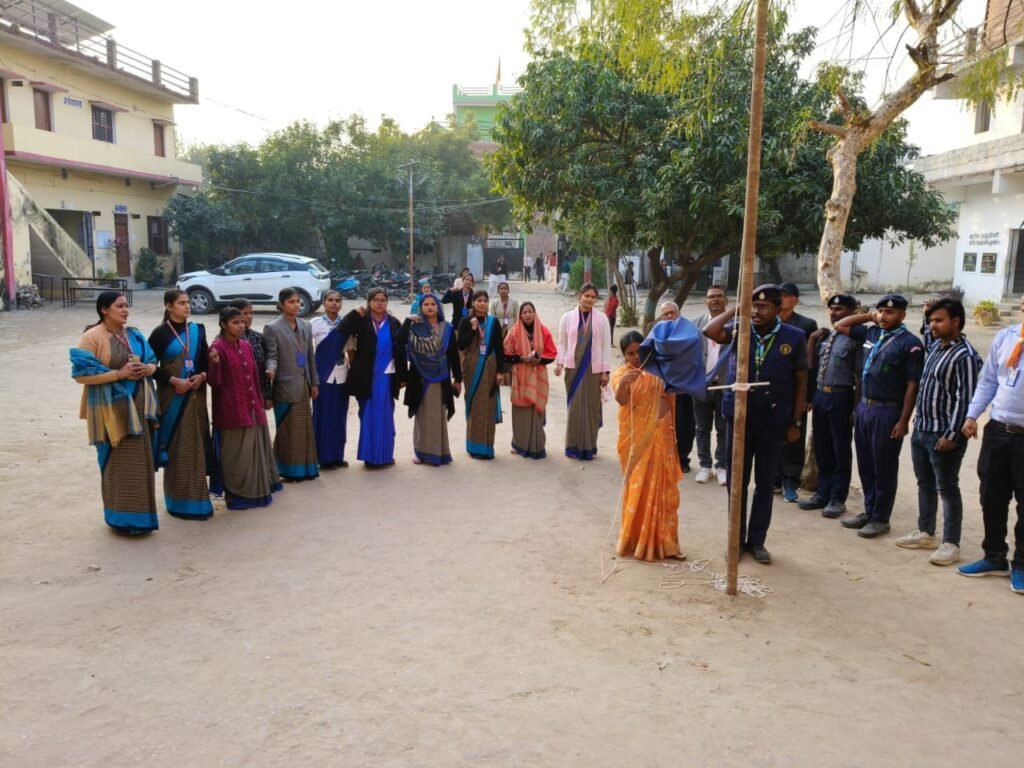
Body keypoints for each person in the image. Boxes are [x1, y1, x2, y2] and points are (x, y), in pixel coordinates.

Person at [704, 284, 809, 564]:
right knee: (736, 481)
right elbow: (710, 331)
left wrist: (795, 421)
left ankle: (757, 541)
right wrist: (737, 309)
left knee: (764, 483)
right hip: (738, 417)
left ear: (778, 308)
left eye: (764, 306)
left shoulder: (794, 336)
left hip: (773, 420)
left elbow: (801, 382)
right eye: (754, 305)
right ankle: (736, 540)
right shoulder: (740, 330)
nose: (758, 311)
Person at [891, 298, 981, 566]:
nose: (933, 325)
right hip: (923, 428)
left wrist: (952, 436)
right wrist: (926, 315)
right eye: (931, 321)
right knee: (925, 483)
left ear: (956, 321)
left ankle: (951, 543)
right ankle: (926, 531)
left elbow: (965, 399)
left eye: (939, 320)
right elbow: (928, 333)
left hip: (943, 433)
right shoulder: (936, 347)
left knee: (947, 487)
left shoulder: (965, 356)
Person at [70, 291, 160, 535]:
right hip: (109, 413)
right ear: (104, 309)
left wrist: (147, 369)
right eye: (119, 306)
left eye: (126, 306)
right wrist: (119, 374)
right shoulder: (91, 337)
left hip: (139, 411)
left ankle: (142, 520)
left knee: (139, 465)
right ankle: (120, 519)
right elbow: (81, 375)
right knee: (116, 466)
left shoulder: (134, 335)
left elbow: (154, 361)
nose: (125, 310)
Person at [835, 294, 924, 538]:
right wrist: (869, 316)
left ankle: (881, 518)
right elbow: (840, 325)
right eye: (881, 311)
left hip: (888, 410)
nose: (884, 316)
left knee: (883, 465)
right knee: (865, 463)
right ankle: (869, 510)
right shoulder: (871, 333)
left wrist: (903, 420)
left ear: (903, 315)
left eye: (890, 312)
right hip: (865, 406)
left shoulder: (910, 344)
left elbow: (912, 385)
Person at [958, 293, 1024, 593]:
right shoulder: (1006, 337)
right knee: (991, 496)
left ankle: (1021, 564)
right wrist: (973, 415)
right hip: (998, 430)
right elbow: (988, 381)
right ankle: (994, 556)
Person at [613, 331, 686, 561]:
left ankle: (667, 543)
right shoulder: (622, 374)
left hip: (662, 434)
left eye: (639, 351)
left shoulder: (659, 370)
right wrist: (624, 385)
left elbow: (676, 388)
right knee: (639, 488)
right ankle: (637, 541)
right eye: (630, 353)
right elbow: (621, 400)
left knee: (664, 489)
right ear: (624, 356)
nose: (636, 357)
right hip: (637, 441)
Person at [207, 307, 282, 509]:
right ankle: (238, 496)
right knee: (236, 456)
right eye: (235, 322)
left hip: (253, 408)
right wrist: (214, 365)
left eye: (242, 322)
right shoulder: (217, 348)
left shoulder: (246, 345)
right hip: (231, 412)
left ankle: (257, 493)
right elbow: (214, 383)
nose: (241, 326)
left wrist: (260, 402)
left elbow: (255, 378)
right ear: (223, 325)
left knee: (254, 453)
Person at [149, 289, 214, 520]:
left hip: (196, 398)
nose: (187, 306)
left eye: (188, 302)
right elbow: (151, 367)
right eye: (182, 303)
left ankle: (199, 500)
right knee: (178, 447)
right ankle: (178, 502)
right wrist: (174, 380)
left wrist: (202, 376)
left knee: (196, 445)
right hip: (172, 398)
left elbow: (205, 361)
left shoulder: (197, 330)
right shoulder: (159, 334)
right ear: (169, 306)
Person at [799, 294, 860, 518]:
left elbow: (859, 376)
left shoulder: (855, 338)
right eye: (832, 309)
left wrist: (855, 407)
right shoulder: (827, 335)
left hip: (841, 395)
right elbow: (811, 365)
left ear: (853, 311)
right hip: (821, 395)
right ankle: (822, 493)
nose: (834, 313)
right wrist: (812, 340)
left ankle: (837, 497)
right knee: (822, 447)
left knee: (840, 448)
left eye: (840, 309)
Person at [339, 288, 406, 467]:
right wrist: (354, 313)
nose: (379, 303)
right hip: (366, 377)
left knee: (385, 416)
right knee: (368, 416)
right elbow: (343, 331)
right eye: (375, 299)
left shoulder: (394, 323)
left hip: (386, 377)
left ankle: (385, 456)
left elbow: (400, 350)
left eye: (383, 300)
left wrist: (402, 377)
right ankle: (370, 457)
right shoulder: (361, 321)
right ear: (369, 302)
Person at [397, 293, 462, 465]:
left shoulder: (447, 329)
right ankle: (420, 452)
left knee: (438, 414)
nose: (430, 307)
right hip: (420, 379)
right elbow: (399, 340)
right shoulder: (415, 327)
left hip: (441, 379)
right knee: (422, 414)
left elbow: (454, 356)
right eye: (426, 304)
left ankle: (439, 452)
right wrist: (407, 321)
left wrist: (458, 379)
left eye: (433, 304)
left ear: (438, 307)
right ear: (421, 308)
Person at [264, 288, 320, 481]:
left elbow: (310, 356)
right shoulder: (272, 328)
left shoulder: (306, 325)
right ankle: (288, 471)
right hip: (285, 387)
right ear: (281, 305)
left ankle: (307, 469)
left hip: (304, 385)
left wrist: (314, 382)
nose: (296, 305)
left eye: (298, 301)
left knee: (304, 430)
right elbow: (272, 356)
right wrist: (271, 369)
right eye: (291, 302)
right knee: (288, 431)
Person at [555, 283, 612, 460]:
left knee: (592, 408)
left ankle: (589, 447)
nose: (589, 299)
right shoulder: (567, 317)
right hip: (573, 369)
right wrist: (559, 363)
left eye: (593, 297)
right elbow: (562, 342)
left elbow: (606, 346)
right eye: (586, 296)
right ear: (579, 296)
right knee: (575, 408)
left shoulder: (602, 319)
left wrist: (606, 372)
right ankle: (573, 446)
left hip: (594, 370)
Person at [776, 282, 819, 502]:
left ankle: (790, 481)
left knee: (794, 434)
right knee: (770, 435)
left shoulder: (806, 324)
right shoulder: (767, 320)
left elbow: (811, 364)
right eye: (779, 295)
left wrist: (809, 396)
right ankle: (773, 479)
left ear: (796, 300)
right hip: (771, 389)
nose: (781, 299)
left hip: (796, 390)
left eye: (785, 295)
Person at [504, 302, 557, 458]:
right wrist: (521, 358)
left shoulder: (544, 331)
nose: (527, 315)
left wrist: (539, 360)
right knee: (521, 412)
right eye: (524, 312)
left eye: (530, 311)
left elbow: (552, 354)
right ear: (520, 315)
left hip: (538, 377)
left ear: (535, 313)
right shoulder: (513, 332)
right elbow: (506, 354)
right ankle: (519, 444)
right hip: (520, 377)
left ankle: (537, 445)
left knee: (536, 410)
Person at [458, 289, 506, 459]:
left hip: (490, 368)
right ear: (473, 303)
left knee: (488, 406)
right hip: (472, 368)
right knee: (475, 405)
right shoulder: (465, 321)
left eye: (485, 301)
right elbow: (461, 345)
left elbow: (499, 348)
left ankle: (487, 448)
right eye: (479, 300)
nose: (482, 304)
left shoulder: (493, 322)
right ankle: (474, 447)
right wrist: (472, 330)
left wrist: (501, 371)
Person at [691, 286, 729, 485]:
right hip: (701, 385)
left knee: (723, 427)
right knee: (702, 427)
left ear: (726, 300)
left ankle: (721, 466)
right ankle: (705, 466)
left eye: (719, 296)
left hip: (725, 385)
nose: (715, 300)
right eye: (711, 297)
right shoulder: (695, 324)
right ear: (705, 301)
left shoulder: (736, 324)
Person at [310, 290, 351, 469]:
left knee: (339, 416)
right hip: (322, 374)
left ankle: (337, 456)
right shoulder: (315, 324)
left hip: (342, 375)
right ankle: (322, 457)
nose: (334, 303)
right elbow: (306, 350)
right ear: (324, 303)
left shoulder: (347, 323)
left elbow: (352, 349)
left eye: (337, 300)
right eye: (330, 300)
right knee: (322, 416)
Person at [658, 301, 696, 473]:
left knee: (685, 425)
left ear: (679, 313)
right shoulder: (656, 332)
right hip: (662, 387)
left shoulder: (688, 331)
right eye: (665, 314)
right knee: (662, 424)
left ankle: (682, 459)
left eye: (671, 313)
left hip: (684, 386)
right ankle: (664, 458)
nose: (669, 316)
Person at [229, 298, 272, 409]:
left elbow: (264, 368)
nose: (249, 317)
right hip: (237, 396)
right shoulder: (226, 340)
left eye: (251, 313)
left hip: (258, 393)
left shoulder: (258, 337)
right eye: (245, 313)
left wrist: (267, 395)